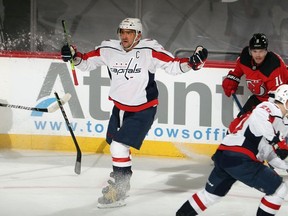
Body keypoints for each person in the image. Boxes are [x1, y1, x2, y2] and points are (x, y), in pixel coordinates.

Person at [60, 17, 208, 208]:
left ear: (138, 35)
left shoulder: (150, 50)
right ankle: (121, 179)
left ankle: (120, 190)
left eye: (129, 33)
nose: (124, 36)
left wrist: (194, 63)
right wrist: (72, 55)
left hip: (143, 110)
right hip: (119, 108)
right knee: (116, 145)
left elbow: (173, 66)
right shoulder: (109, 49)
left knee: (118, 147)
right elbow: (86, 62)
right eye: (122, 32)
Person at [176, 84, 288, 216]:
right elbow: (260, 118)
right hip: (241, 158)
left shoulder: (281, 123)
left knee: (210, 195)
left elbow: (268, 153)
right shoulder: (269, 107)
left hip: (226, 157)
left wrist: (285, 166)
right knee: (279, 190)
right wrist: (277, 140)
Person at [222, 33, 288, 133]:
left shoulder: (273, 65)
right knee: (237, 127)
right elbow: (238, 71)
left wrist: (261, 117)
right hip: (258, 99)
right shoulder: (245, 59)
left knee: (267, 129)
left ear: (266, 51)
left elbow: (276, 100)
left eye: (261, 51)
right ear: (250, 51)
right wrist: (233, 78)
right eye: (255, 51)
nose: (258, 55)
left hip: (279, 102)